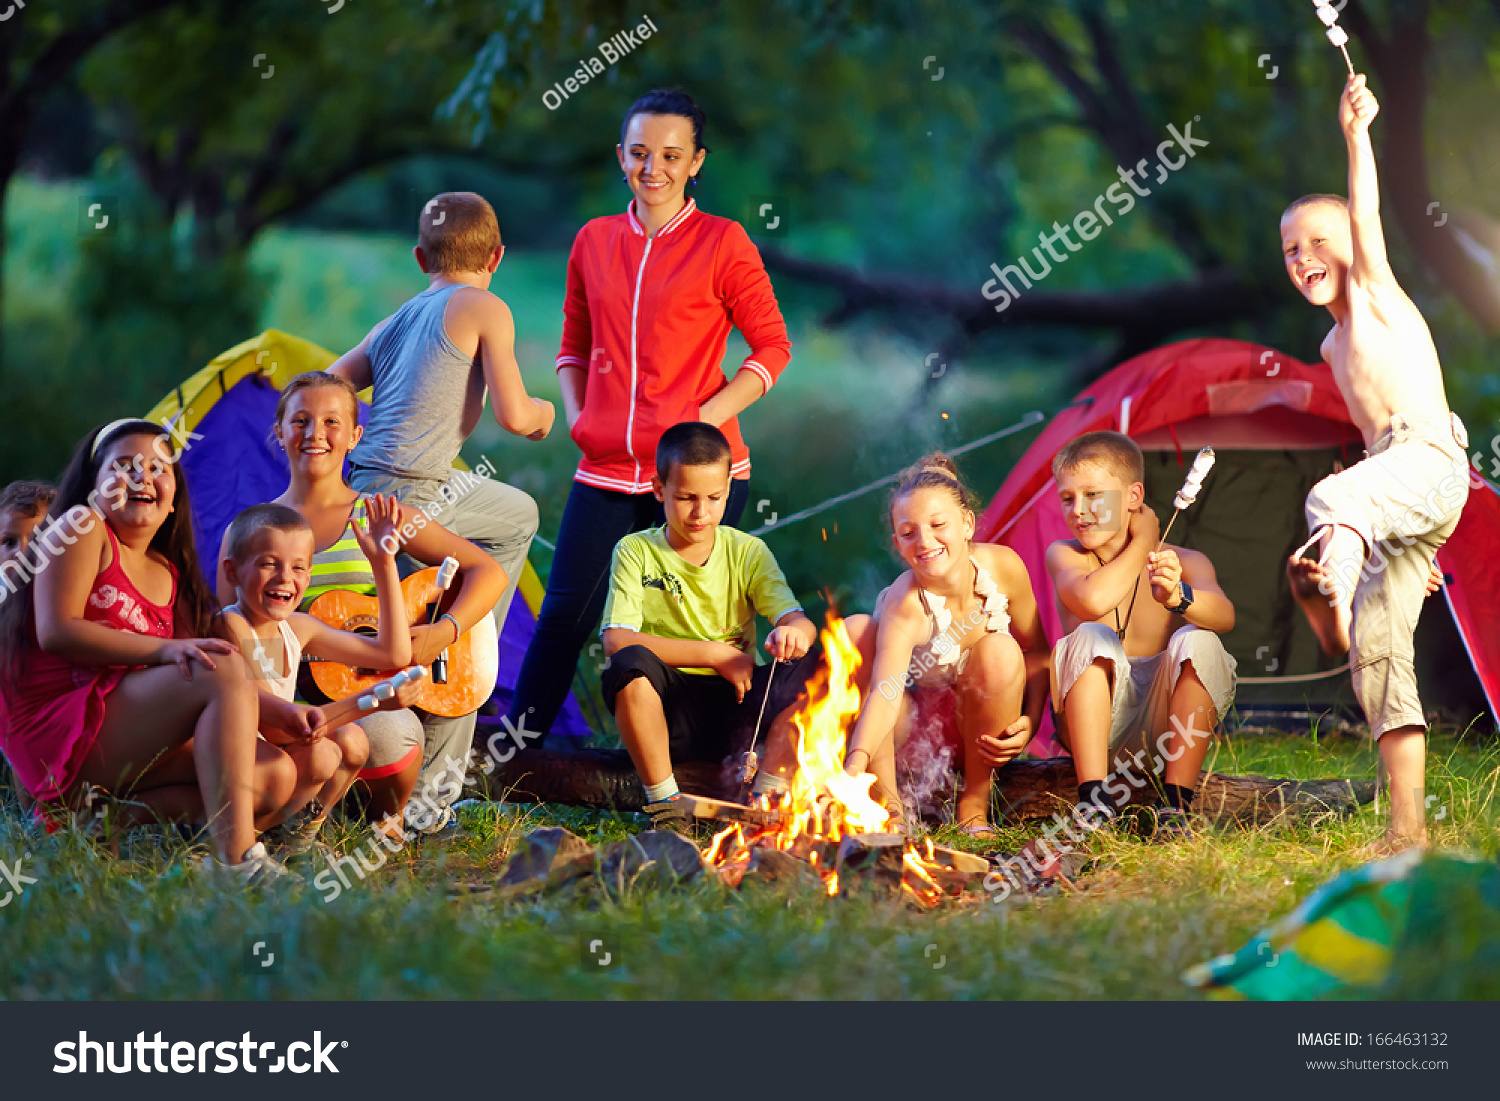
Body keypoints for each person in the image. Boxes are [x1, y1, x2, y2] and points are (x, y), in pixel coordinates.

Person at [511, 87, 793, 739]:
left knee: (689, 625)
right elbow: (572, 344)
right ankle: (509, 761)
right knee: (565, 618)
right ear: (621, 157)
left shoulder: (724, 242)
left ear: (696, 161)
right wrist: (581, 416)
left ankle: (686, 768)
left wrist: (706, 420)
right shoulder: (594, 239)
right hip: (607, 467)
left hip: (700, 473)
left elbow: (773, 345)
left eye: (671, 154)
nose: (653, 168)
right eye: (640, 153)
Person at [1279, 74, 1471, 853]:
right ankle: (1406, 832)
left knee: (1328, 500)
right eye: (1292, 250)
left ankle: (1343, 553)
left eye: (1319, 241)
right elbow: (1374, 447)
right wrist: (1398, 529)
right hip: (1396, 483)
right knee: (1379, 656)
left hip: (1427, 453)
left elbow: (1364, 213)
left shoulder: (1378, 294)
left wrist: (1357, 134)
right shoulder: (1331, 344)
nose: (1305, 256)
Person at [218, 372, 508, 839]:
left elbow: (487, 570)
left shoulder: (383, 516)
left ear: (356, 435)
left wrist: (442, 631)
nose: (316, 433)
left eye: (332, 421)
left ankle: (372, 818)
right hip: (283, 701)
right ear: (278, 432)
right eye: (301, 420)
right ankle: (296, 811)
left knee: (389, 734)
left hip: (363, 701)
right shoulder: (250, 532)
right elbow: (235, 635)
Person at [0, 420, 293, 881]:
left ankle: (100, 820)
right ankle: (237, 862)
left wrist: (279, 712)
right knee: (217, 665)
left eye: (159, 468)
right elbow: (57, 630)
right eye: (124, 466)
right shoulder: (81, 527)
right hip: (62, 733)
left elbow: (189, 678)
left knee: (276, 775)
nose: (142, 476)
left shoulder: (166, 571)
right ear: (93, 485)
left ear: (174, 497)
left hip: (119, 735)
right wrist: (162, 651)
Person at [328, 190, 549, 643]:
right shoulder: (486, 307)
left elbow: (324, 387)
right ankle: (468, 647)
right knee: (521, 518)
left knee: (516, 511)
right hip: (414, 490)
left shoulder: (393, 320)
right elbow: (515, 417)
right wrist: (543, 414)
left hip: (363, 484)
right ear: (497, 257)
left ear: (419, 258)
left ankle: (442, 627)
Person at [599, 423, 817, 805]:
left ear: (728, 491)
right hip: (670, 706)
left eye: (714, 498)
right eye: (686, 498)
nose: (701, 513)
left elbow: (796, 619)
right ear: (658, 490)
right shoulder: (635, 551)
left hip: (740, 706)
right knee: (628, 664)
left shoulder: (748, 551)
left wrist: (795, 632)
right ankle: (665, 800)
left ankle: (767, 796)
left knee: (823, 660)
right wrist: (717, 655)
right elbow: (616, 640)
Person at [832, 455, 1048, 835]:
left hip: (978, 732)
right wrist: (853, 766)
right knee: (855, 631)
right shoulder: (907, 604)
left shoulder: (1004, 568)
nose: (925, 541)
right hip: (909, 737)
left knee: (1000, 649)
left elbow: (1037, 651)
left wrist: (1030, 720)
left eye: (937, 525)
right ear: (897, 543)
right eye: (909, 532)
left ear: (967, 524)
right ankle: (891, 809)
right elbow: (884, 693)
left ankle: (974, 804)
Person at [1044, 431, 1238, 839]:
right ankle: (1094, 802)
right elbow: (1093, 600)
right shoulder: (1064, 554)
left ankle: (1175, 807)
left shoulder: (1185, 561)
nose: (1078, 510)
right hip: (1092, 727)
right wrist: (1145, 540)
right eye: (1067, 499)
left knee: (1199, 640)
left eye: (1093, 495)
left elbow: (1225, 616)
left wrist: (1177, 596)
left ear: (1133, 496)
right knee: (1092, 634)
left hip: (1160, 731)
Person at [216, 502, 419, 852]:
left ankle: (295, 838)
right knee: (321, 755)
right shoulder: (230, 625)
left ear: (308, 577)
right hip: (243, 768)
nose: (285, 578)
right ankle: (253, 835)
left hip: (281, 755)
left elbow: (393, 654)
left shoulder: (296, 628)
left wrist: (383, 564)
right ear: (232, 573)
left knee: (353, 741)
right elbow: (281, 728)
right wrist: (375, 700)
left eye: (297, 568)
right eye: (268, 564)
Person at [1, 480, 55, 811]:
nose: (22, 551)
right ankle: (33, 819)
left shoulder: (61, 599)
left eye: (38, 540)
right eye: (9, 542)